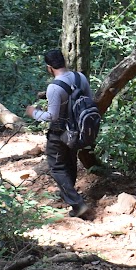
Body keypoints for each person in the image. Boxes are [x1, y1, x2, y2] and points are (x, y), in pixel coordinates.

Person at [26, 48, 94, 219]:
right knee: (70, 163)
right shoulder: (80, 77)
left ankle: (78, 205)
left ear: (49, 67)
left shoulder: (54, 87)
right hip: (79, 130)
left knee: (56, 167)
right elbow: (90, 100)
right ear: (64, 62)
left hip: (60, 133)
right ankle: (69, 196)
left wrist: (33, 112)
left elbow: (52, 116)